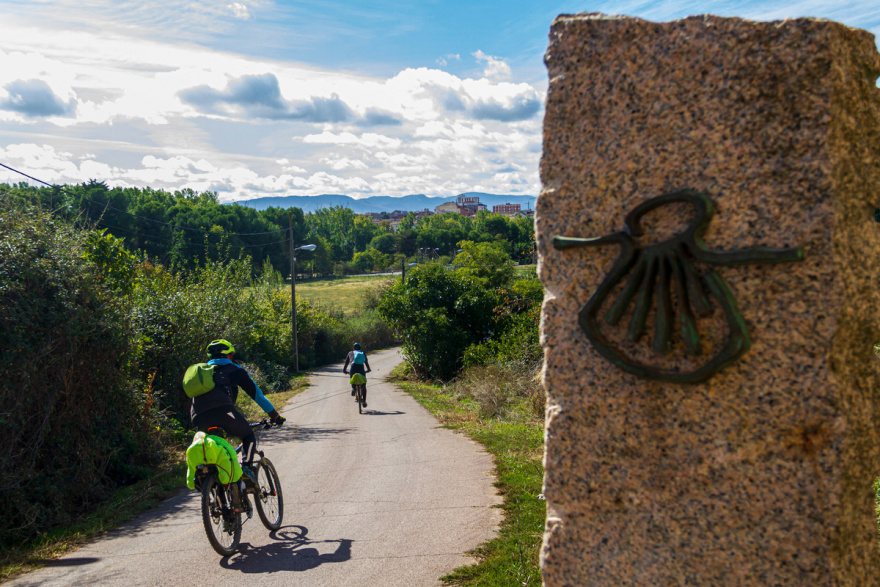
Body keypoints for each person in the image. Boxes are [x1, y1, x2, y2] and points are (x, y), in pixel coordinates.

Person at [190, 339, 285, 483]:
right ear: (229, 356)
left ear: (210, 357)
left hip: (198, 416)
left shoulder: (201, 373)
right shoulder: (234, 370)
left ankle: (208, 481)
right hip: (225, 413)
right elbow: (257, 396)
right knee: (248, 436)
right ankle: (246, 468)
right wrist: (275, 416)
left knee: (208, 447)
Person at [342, 342, 371, 408]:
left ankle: (353, 388)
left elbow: (346, 362)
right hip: (361, 368)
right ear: (360, 348)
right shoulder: (363, 353)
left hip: (353, 368)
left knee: (352, 377)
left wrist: (344, 370)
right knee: (363, 385)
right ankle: (364, 401)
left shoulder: (350, 353)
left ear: (353, 348)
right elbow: (366, 362)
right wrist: (368, 369)